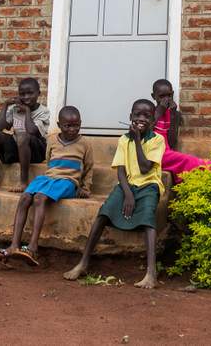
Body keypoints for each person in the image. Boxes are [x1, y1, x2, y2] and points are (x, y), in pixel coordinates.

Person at [64, 99, 164, 289]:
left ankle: (151, 273)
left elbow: (144, 168)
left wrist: (136, 140)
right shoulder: (123, 139)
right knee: (103, 214)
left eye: (146, 116)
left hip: (149, 185)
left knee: (149, 221)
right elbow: (120, 170)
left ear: (153, 121)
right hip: (127, 184)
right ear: (130, 117)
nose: (141, 119)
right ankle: (83, 263)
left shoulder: (157, 140)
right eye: (137, 115)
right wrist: (127, 194)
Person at [0, 105, 94, 267]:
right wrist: (49, 178)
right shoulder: (52, 140)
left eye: (76, 125)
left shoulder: (85, 143)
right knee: (25, 197)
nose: (72, 129)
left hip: (68, 181)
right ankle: (14, 245)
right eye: (68, 126)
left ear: (80, 123)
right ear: (59, 124)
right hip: (49, 178)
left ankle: (33, 247)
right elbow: (50, 162)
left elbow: (89, 166)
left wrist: (85, 187)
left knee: (39, 198)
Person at [0, 78, 50, 192]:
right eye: (22, 94)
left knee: (22, 136)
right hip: (18, 149)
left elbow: (32, 131)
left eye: (30, 93)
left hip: (36, 151)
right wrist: (5, 105)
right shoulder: (15, 108)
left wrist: (27, 111)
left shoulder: (43, 111)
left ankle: (23, 182)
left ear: (38, 93)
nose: (26, 97)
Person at [151, 78, 211, 184]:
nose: (166, 99)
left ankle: (209, 168)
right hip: (154, 154)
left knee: (187, 160)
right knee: (188, 160)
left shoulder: (173, 114)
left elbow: (172, 141)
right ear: (153, 96)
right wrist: (159, 111)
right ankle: (210, 167)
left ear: (173, 94)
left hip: (167, 153)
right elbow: (145, 131)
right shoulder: (149, 112)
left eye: (169, 95)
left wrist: (173, 115)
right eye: (161, 96)